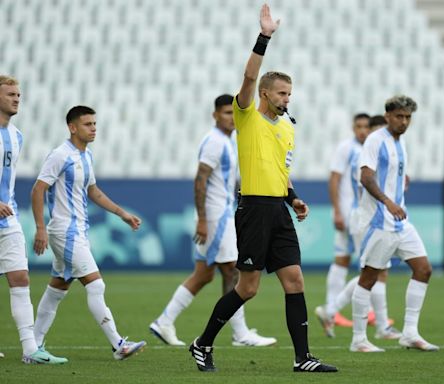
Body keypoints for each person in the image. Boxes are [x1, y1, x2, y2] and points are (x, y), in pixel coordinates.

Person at [189, 4, 337, 373]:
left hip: (278, 209)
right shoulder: (247, 116)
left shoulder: (288, 127)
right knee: (248, 287)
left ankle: (303, 358)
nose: (288, 98)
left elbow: (281, 171)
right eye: (283, 93)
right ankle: (202, 343)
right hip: (253, 208)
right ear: (266, 95)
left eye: (290, 93)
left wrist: (294, 198)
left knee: (295, 280)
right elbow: (249, 76)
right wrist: (264, 37)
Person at [150, 94, 276, 347]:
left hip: (222, 213)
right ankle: (239, 333)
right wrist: (203, 220)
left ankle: (165, 322)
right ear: (215, 115)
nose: (231, 117)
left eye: (233, 113)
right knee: (233, 270)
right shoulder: (214, 142)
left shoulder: (228, 140)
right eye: (226, 113)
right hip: (216, 217)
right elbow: (200, 179)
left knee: (205, 275)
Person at [31, 105, 146, 361]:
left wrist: (121, 213)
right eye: (87, 124)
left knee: (56, 290)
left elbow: (93, 191)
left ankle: (32, 347)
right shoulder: (60, 155)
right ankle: (118, 345)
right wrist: (40, 227)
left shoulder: (87, 156)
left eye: (94, 124)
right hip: (65, 231)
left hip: (76, 231)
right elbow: (38, 190)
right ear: (72, 127)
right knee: (96, 284)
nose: (93, 128)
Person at [349, 96, 439, 353]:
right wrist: (388, 200)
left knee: (423, 269)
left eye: (408, 117)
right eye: (399, 116)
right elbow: (366, 177)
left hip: (401, 221)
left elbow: (390, 173)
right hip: (379, 221)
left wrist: (401, 180)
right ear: (387, 116)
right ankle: (358, 339)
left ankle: (409, 333)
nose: (404, 121)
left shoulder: (401, 142)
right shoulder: (375, 140)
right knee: (369, 277)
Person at [315, 115, 401, 342]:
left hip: (360, 216)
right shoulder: (362, 154)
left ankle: (334, 311)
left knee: (369, 268)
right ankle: (376, 323)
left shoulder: (366, 153)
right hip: (365, 217)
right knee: (374, 270)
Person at [0, 75, 66, 364]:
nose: (16, 98)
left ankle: (30, 349)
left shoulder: (17, 136)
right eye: (10, 94)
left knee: (20, 277)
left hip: (8, 218)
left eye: (18, 94)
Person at [318, 113, 370, 331]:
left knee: (344, 260)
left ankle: (332, 310)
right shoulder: (346, 148)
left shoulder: (369, 148)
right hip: (349, 214)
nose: (362, 131)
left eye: (366, 127)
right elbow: (334, 179)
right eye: (358, 126)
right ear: (353, 127)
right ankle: (337, 310)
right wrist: (337, 211)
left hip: (360, 215)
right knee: (364, 264)